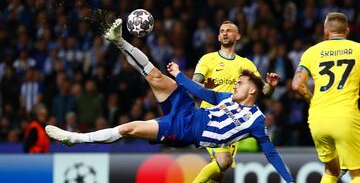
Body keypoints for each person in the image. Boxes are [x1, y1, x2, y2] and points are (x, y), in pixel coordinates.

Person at [46, 18, 294, 183]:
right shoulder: (221, 86)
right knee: (155, 76)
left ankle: (75, 139)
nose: (235, 84)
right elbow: (204, 93)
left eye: (240, 83)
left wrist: (289, 181)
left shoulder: (256, 120)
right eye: (221, 30)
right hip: (188, 108)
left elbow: (271, 153)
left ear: (251, 92)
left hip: (185, 129)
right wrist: (179, 77)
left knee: (129, 128)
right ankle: (118, 40)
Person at [192, 20, 279, 182]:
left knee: (219, 172)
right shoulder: (208, 59)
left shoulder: (245, 64)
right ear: (218, 37)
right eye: (222, 31)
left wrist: (271, 86)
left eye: (229, 31)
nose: (224, 33)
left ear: (237, 36)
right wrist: (204, 86)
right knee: (224, 161)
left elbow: (264, 91)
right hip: (209, 117)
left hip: (231, 123)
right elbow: (194, 83)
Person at [292, 12, 360, 183]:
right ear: (348, 31)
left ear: (326, 32)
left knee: (331, 170)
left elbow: (296, 85)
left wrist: (311, 99)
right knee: (357, 173)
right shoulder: (357, 49)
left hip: (318, 118)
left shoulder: (312, 52)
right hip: (346, 117)